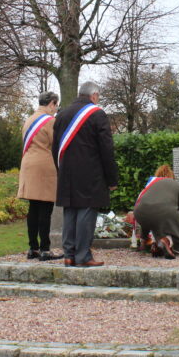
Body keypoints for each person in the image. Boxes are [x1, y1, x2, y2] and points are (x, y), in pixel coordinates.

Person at [51, 81, 118, 267]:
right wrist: (111, 178)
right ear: (94, 95)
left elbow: (55, 147)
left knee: (70, 211)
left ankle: (69, 255)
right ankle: (83, 256)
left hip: (67, 173)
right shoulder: (97, 114)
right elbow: (106, 149)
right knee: (86, 212)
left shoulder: (62, 114)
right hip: (90, 173)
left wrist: (60, 169)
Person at [17, 91, 60, 261]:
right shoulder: (50, 121)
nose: (56, 109)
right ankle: (45, 249)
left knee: (33, 208)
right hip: (44, 166)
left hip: (28, 165)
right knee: (45, 209)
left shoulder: (28, 120)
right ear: (51, 103)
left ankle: (32, 248)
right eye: (56, 105)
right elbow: (56, 144)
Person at [133, 164, 179, 259]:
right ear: (172, 176)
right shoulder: (176, 185)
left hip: (139, 213)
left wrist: (143, 239)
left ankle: (155, 245)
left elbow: (147, 213)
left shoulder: (151, 185)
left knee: (153, 221)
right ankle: (166, 241)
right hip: (164, 213)